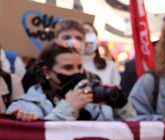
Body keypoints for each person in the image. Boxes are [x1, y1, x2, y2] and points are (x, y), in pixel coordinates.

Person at [7, 42, 136, 121]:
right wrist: (69, 108)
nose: (76, 73)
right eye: (68, 68)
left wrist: (121, 105)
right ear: (47, 72)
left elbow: (129, 134)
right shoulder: (24, 107)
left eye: (79, 67)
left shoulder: (93, 101)